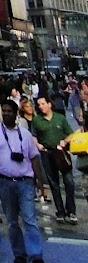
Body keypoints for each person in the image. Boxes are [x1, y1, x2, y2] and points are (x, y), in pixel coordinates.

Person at [0, 97, 49, 263]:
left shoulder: (25, 135)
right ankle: (19, 253)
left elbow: (34, 158)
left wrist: (40, 182)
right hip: (4, 181)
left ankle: (36, 255)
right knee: (12, 221)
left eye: (9, 111)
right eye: (3, 111)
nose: (5, 114)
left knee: (29, 219)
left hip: (24, 182)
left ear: (16, 114)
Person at [31, 93, 76, 224]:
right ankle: (60, 212)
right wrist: (38, 145)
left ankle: (71, 211)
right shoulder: (37, 120)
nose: (41, 107)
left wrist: (65, 141)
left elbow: (71, 133)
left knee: (69, 182)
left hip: (61, 152)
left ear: (50, 105)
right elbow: (34, 135)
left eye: (43, 104)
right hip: (47, 153)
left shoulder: (60, 118)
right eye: (39, 105)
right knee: (54, 183)